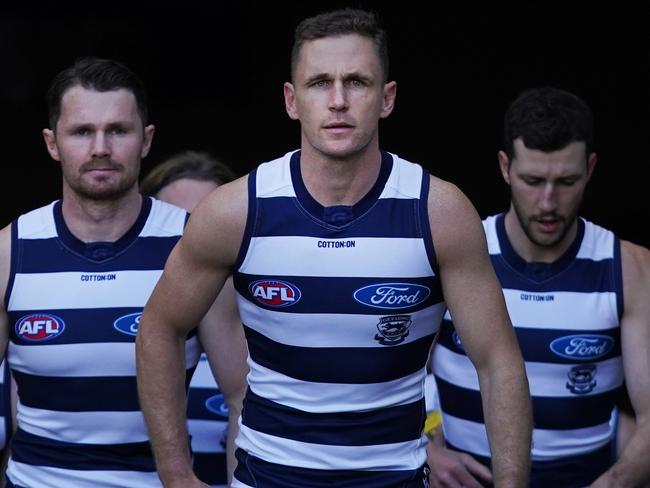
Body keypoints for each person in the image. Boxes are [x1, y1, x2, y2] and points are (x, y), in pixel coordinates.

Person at [136, 8, 533, 488]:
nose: (339, 100)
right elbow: (159, 326)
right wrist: (176, 475)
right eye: (320, 82)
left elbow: (498, 360)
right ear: (291, 99)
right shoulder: (237, 209)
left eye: (358, 82)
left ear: (387, 98)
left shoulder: (438, 212)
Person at [0, 56, 247, 487]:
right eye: (82, 132)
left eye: (118, 130)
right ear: (51, 142)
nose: (100, 148)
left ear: (146, 139)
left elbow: (241, 395)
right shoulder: (9, 251)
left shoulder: (192, 243)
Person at [430, 86, 650, 488]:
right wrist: (427, 449)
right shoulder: (457, 250)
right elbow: (386, 374)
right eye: (533, 180)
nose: (548, 203)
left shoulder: (631, 268)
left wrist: (613, 482)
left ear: (591, 168)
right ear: (504, 167)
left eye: (566, 181)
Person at [140, 150, 239, 488]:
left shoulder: (273, 334)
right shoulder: (130, 339)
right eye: (180, 223)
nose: (196, 242)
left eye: (208, 223)